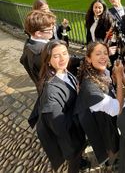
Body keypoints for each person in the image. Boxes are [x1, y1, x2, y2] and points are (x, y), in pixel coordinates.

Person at [28, 40, 88, 173]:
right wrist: (80, 104)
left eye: (65, 53)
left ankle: (80, 160)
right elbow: (59, 126)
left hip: (76, 131)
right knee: (74, 160)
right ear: (48, 61)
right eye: (56, 56)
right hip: (70, 138)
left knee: (79, 154)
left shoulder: (63, 71)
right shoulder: (51, 92)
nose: (63, 58)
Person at [74, 42, 125, 167]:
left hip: (105, 115)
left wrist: (115, 78)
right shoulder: (91, 90)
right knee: (109, 143)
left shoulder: (98, 71)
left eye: (105, 53)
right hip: (101, 122)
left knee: (112, 139)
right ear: (88, 58)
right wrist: (120, 79)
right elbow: (118, 109)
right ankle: (111, 162)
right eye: (98, 54)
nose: (103, 56)